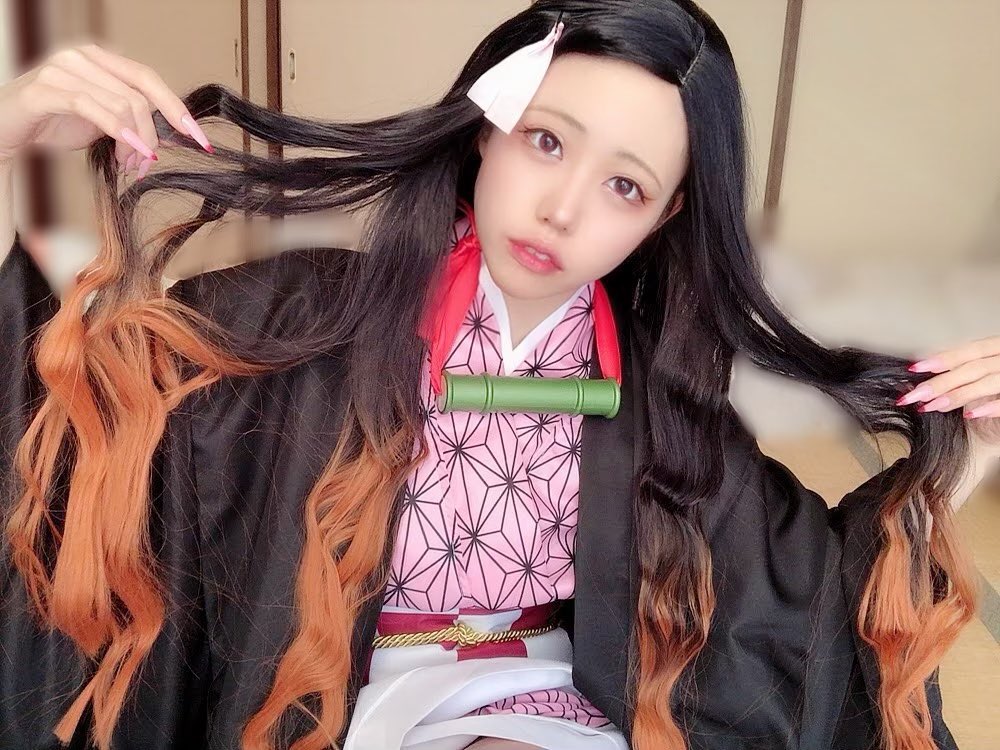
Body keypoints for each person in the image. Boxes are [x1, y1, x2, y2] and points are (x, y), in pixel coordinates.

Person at [1, 2, 999, 749]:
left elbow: (812, 593)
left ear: (664, 216)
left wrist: (969, 447)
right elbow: (63, 434)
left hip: (550, 699)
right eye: (546, 141)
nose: (563, 208)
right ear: (488, 127)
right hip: (343, 695)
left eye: (624, 186)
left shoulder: (654, 396)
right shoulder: (295, 318)